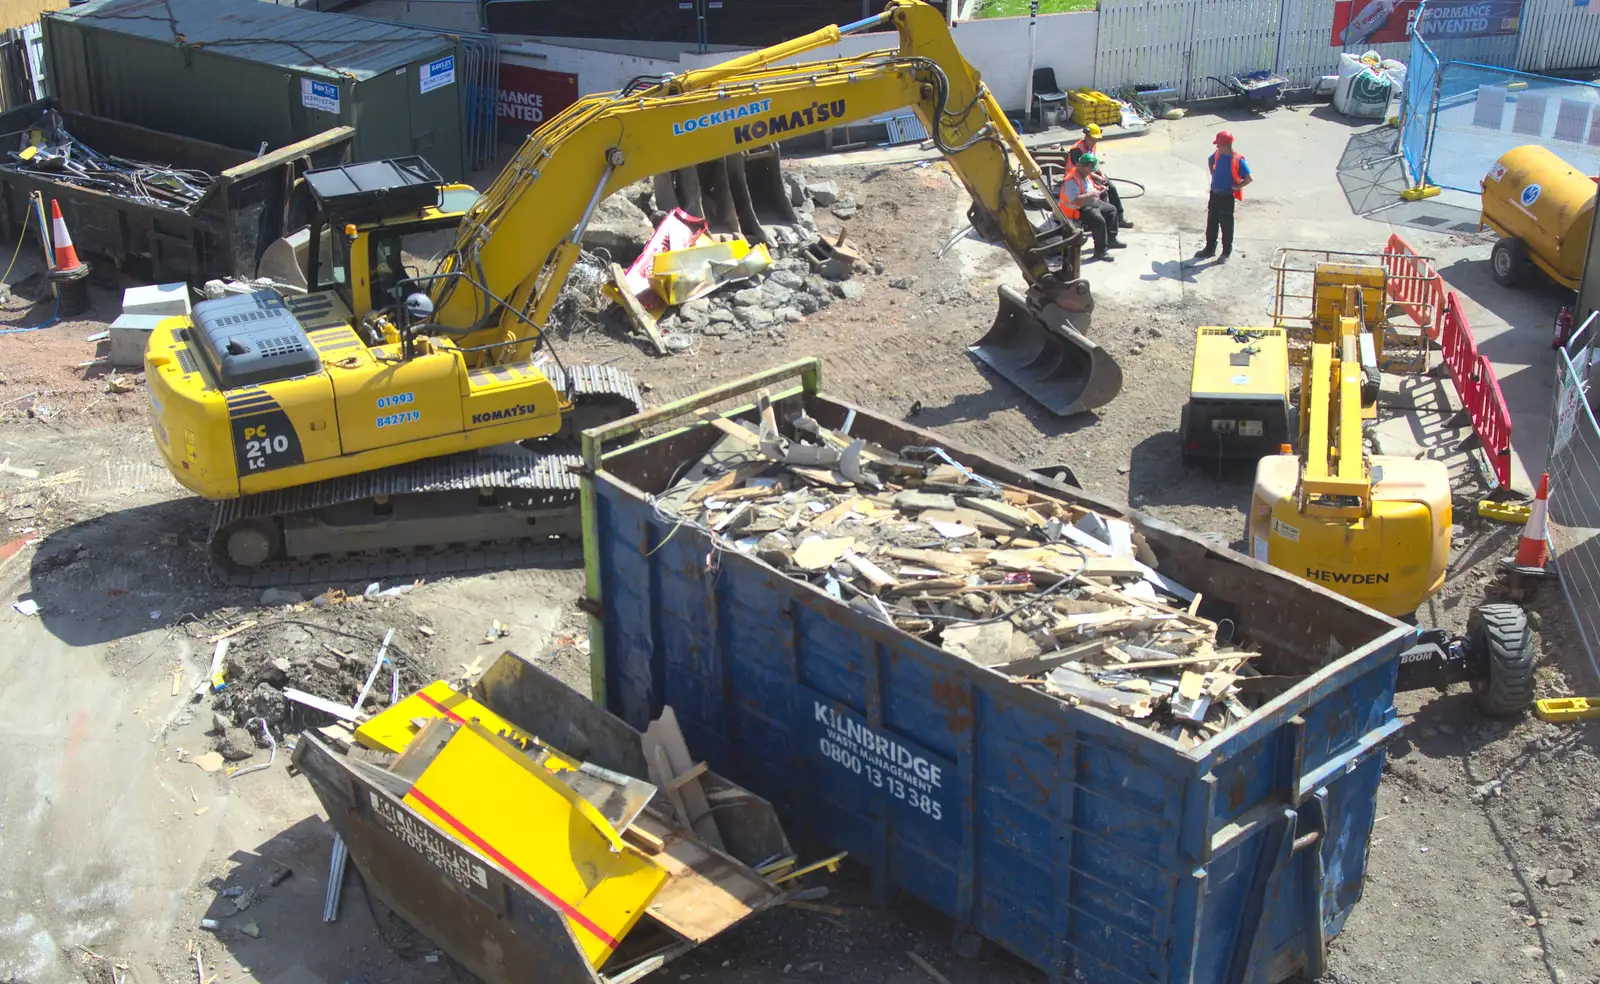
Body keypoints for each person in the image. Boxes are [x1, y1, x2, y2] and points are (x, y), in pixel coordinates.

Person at [1195, 130, 1251, 261]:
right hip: (1214, 195)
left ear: (1226, 145)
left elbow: (1249, 178)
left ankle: (1226, 253)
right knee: (1212, 223)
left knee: (1226, 225)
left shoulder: (1237, 159)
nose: (1217, 147)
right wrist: (1213, 173)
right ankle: (1209, 249)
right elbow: (1210, 161)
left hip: (1226, 197)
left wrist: (1237, 187)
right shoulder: (1218, 154)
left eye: (1219, 144)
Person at [1059, 154, 1125, 262]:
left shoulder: (1086, 174)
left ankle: (1112, 239)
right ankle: (1100, 251)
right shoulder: (1071, 179)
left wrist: (1099, 188)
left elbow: (1090, 187)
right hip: (1078, 209)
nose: (1092, 172)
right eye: (1091, 169)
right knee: (1099, 221)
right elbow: (1074, 200)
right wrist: (1092, 194)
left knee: (1111, 210)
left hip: (1092, 202)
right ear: (1086, 166)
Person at [1066, 124, 1133, 229]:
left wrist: (1101, 174)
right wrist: (1098, 178)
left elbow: (1094, 164)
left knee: (1112, 188)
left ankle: (1119, 219)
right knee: (1102, 193)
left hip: (1089, 174)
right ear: (1086, 136)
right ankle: (1101, 221)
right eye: (1092, 140)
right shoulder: (1077, 150)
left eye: (1096, 140)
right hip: (1078, 177)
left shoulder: (1092, 145)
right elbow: (1082, 170)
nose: (1094, 142)